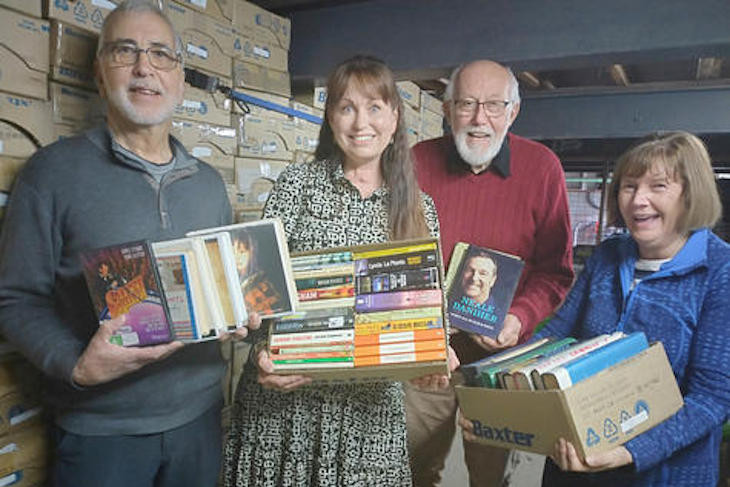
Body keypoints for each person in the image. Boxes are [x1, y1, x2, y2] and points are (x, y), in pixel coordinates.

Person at [0, 2, 259, 486]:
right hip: (100, 432)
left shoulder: (208, 185)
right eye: (125, 51)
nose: (145, 67)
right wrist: (76, 367)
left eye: (161, 54)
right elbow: (16, 299)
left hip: (200, 420)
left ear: (180, 79)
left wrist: (241, 314)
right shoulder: (52, 174)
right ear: (100, 75)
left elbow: (224, 291)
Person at [223, 55, 452, 487]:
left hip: (367, 420)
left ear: (395, 116)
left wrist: (431, 354)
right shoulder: (295, 186)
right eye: (346, 107)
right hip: (284, 410)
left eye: (374, 107)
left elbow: (422, 312)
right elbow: (252, 295)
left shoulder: (420, 210)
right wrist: (259, 355)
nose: (360, 121)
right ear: (330, 117)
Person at [462, 131, 730, 486]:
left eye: (658, 187)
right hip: (574, 456)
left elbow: (712, 398)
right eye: (629, 186)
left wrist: (628, 451)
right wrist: (491, 401)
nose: (638, 201)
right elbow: (556, 334)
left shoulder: (720, 271)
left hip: (664, 474)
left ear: (690, 194)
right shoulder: (609, 255)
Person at [407, 59, 575, 486]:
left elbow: (556, 271)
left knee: (490, 475)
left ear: (513, 112)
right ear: (447, 110)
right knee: (413, 467)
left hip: (501, 363)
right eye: (466, 104)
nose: (480, 118)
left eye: (495, 105)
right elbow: (391, 257)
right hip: (427, 356)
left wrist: (518, 316)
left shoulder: (542, 168)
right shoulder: (413, 163)